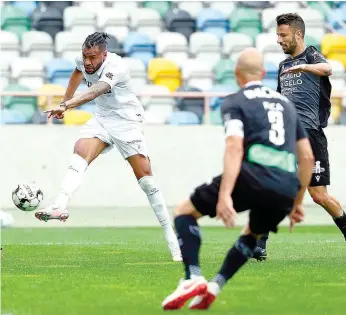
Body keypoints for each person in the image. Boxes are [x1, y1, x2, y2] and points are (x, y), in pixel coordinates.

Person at [161, 47, 314, 310]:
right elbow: (308, 157)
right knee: (252, 234)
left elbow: (234, 146)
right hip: (286, 186)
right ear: (264, 74)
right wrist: (298, 202)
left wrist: (224, 196)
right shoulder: (286, 104)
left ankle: (193, 277)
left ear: (236, 74)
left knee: (184, 212)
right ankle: (215, 285)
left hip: (253, 176)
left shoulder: (235, 101)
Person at [35, 32, 182, 262]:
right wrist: (65, 101)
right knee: (80, 149)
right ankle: (59, 205)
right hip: (103, 118)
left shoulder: (117, 66)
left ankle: (172, 239)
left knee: (146, 181)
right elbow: (76, 72)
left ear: (104, 55)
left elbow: (95, 91)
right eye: (85, 56)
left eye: (92, 57)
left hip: (126, 121)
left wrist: (67, 105)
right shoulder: (82, 62)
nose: (88, 62)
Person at [253, 13, 346, 261]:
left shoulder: (311, 56)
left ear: (298, 34)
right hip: (286, 135)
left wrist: (304, 66)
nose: (279, 40)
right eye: (278, 35)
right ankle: (260, 244)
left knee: (319, 196)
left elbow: (328, 68)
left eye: (283, 35)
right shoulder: (283, 67)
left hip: (311, 135)